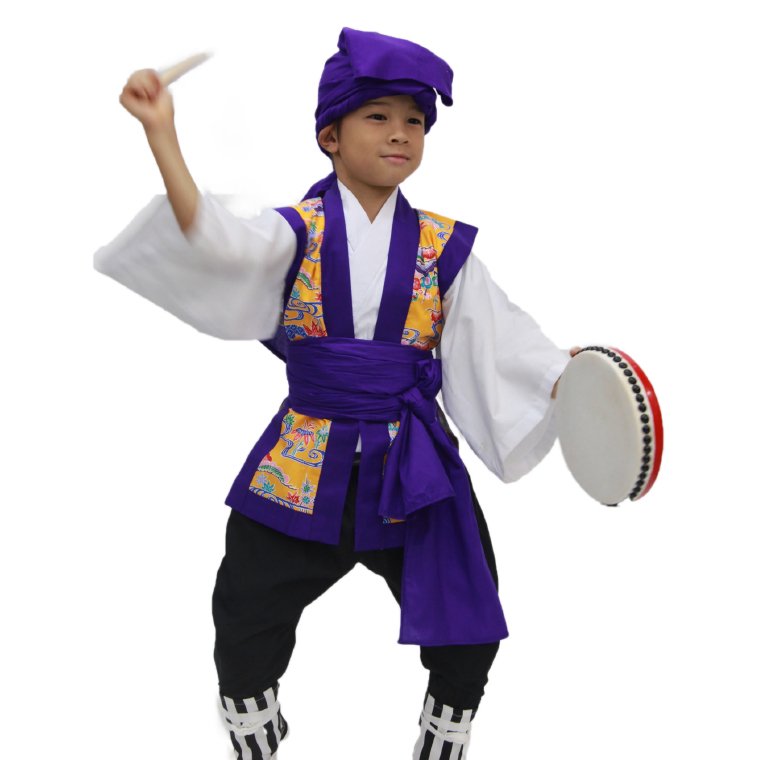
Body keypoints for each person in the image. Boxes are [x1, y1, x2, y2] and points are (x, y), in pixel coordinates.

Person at [95, 27, 573, 760]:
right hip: (306, 456)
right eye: (378, 117)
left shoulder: (443, 248)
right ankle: (254, 728)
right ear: (330, 136)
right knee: (245, 605)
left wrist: (561, 377)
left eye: (414, 121)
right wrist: (162, 132)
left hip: (410, 463)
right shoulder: (297, 232)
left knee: (468, 603)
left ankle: (446, 732)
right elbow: (219, 242)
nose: (400, 133)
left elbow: (500, 336)